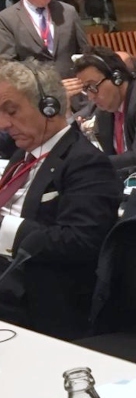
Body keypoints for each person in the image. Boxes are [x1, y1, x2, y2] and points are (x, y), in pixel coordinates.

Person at [0, 61, 121, 341]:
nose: (4, 124)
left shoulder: (84, 161)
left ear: (48, 106)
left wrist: (4, 228)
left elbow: (82, 241)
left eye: (12, 110)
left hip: (40, 295)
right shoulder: (22, 157)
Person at [0, 0, 89, 101]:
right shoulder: (7, 19)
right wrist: (47, 87)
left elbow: (85, 52)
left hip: (76, 97)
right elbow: (8, 66)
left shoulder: (68, 12)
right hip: (38, 99)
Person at [73, 46, 136, 174]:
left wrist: (94, 163)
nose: (91, 96)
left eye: (93, 86)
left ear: (117, 77)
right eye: (86, 89)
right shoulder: (104, 111)